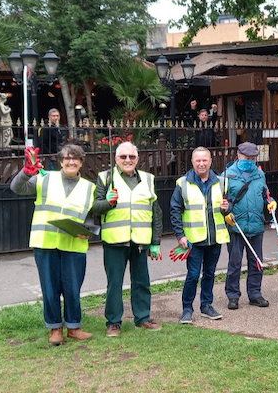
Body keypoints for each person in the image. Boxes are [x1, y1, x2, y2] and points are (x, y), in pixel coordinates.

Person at [10, 144, 96, 346]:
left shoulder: (89, 188)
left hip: (74, 245)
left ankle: (74, 327)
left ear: (81, 162)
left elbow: (93, 217)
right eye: (67, 158)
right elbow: (16, 188)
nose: (71, 162)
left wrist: (89, 232)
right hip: (45, 242)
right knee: (50, 289)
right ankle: (55, 328)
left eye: (75, 158)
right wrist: (25, 172)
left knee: (73, 288)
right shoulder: (44, 178)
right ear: (60, 161)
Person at [92, 142, 163, 336]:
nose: (127, 160)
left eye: (131, 157)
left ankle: (143, 318)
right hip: (115, 241)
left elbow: (156, 212)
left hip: (140, 241)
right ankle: (113, 322)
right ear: (116, 159)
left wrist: (155, 241)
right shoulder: (106, 178)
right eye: (123, 157)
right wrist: (107, 202)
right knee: (114, 284)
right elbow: (95, 208)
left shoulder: (148, 179)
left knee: (142, 282)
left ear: (137, 159)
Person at [170, 147, 229, 324]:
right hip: (193, 239)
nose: (201, 163)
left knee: (210, 273)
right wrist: (180, 235)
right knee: (193, 275)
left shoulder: (222, 182)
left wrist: (228, 207)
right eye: (198, 160)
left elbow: (229, 205)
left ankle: (206, 306)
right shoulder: (182, 183)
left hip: (214, 237)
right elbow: (175, 210)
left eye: (205, 160)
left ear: (211, 161)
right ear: (192, 162)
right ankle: (187, 309)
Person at [223, 142, 275, 310]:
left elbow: (265, 194)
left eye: (253, 159)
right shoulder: (227, 176)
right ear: (238, 156)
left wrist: (271, 202)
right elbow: (222, 201)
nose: (251, 161)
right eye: (247, 158)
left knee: (256, 262)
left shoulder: (260, 175)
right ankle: (233, 295)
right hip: (236, 226)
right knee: (234, 263)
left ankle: (255, 294)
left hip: (256, 225)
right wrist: (226, 211)